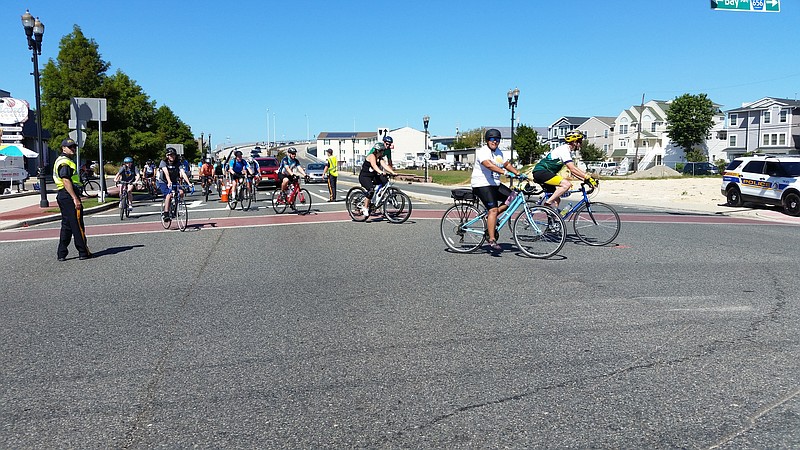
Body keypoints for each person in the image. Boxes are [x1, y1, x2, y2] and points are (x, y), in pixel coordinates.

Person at [470, 128, 525, 251]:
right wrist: (504, 173)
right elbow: (488, 164)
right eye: (492, 139)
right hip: (481, 184)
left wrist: (518, 173)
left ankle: (490, 217)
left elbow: (506, 164)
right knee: (493, 209)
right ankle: (492, 239)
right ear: (487, 140)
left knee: (512, 197)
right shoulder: (483, 151)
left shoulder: (499, 152)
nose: (495, 142)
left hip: (494, 184)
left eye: (497, 140)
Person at [532, 130, 597, 212]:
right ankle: (547, 204)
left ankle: (553, 220)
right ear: (574, 142)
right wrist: (587, 176)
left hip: (545, 173)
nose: (581, 144)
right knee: (566, 184)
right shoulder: (564, 150)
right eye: (580, 141)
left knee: (557, 200)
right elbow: (572, 168)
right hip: (541, 172)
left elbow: (573, 171)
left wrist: (586, 180)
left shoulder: (568, 151)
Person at [53, 138, 92, 261]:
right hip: (68, 194)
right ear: (63, 148)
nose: (73, 149)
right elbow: (65, 179)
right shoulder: (65, 162)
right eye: (70, 147)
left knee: (67, 224)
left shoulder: (62, 160)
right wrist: (75, 198)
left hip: (63, 195)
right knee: (77, 224)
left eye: (74, 147)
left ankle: (61, 253)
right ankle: (83, 251)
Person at [358, 142, 398, 217]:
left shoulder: (380, 158)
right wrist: (380, 172)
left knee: (384, 181)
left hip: (373, 177)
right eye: (382, 151)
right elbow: (374, 165)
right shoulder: (372, 156)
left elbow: (385, 166)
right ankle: (365, 207)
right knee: (370, 190)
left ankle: (375, 200)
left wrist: (392, 172)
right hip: (365, 177)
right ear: (378, 151)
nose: (383, 152)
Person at [158, 147, 192, 220]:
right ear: (167, 156)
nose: (172, 156)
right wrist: (169, 181)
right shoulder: (163, 162)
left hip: (173, 181)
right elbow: (166, 173)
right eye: (170, 155)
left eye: (173, 155)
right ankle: (166, 213)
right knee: (169, 195)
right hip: (163, 182)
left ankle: (176, 208)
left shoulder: (178, 163)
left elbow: (183, 173)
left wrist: (189, 183)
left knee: (181, 192)